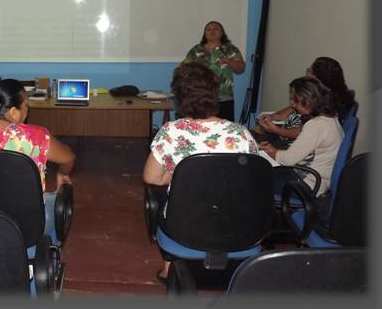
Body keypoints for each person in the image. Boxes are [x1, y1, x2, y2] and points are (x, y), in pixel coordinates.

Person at [143, 62, 259, 283]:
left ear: (179, 97)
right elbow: (252, 177)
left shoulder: (171, 132)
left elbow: (151, 178)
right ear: (215, 95)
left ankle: (169, 267)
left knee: (164, 196)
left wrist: (176, 174)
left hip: (186, 223)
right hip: (237, 222)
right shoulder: (241, 133)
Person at [0, 78, 75, 243]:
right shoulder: (35, 137)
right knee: (56, 205)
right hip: (23, 224)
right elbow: (69, 157)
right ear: (13, 112)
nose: (27, 109)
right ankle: (44, 252)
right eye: (26, 105)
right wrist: (61, 174)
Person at [258, 76, 343, 209]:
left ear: (307, 101)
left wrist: (270, 151)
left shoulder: (316, 126)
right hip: (317, 180)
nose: (292, 104)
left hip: (306, 185)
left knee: (255, 179)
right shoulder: (331, 118)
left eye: (295, 100)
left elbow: (288, 159)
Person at [181, 20, 246, 121]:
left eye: (216, 28)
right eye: (208, 29)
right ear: (205, 33)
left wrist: (229, 61)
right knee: (200, 126)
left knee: (224, 127)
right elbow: (183, 67)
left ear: (222, 33)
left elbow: (241, 68)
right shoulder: (197, 49)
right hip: (199, 96)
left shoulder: (230, 49)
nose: (212, 31)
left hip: (224, 97)